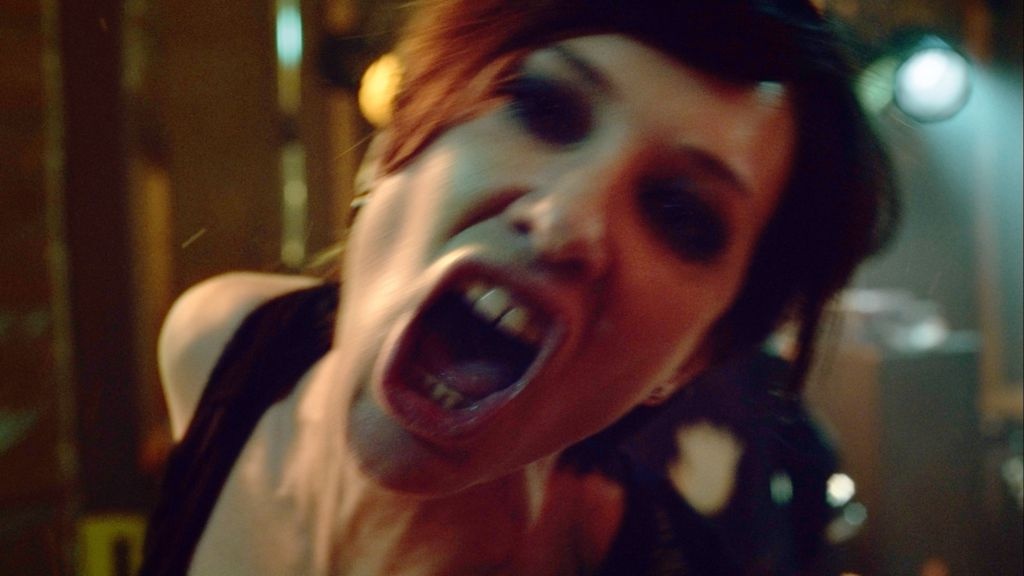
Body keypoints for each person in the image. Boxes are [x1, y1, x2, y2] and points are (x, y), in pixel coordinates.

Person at [140, 0, 898, 574]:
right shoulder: (217, 345)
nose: (566, 221)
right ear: (397, 139)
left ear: (693, 357)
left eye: (679, 213)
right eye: (542, 108)